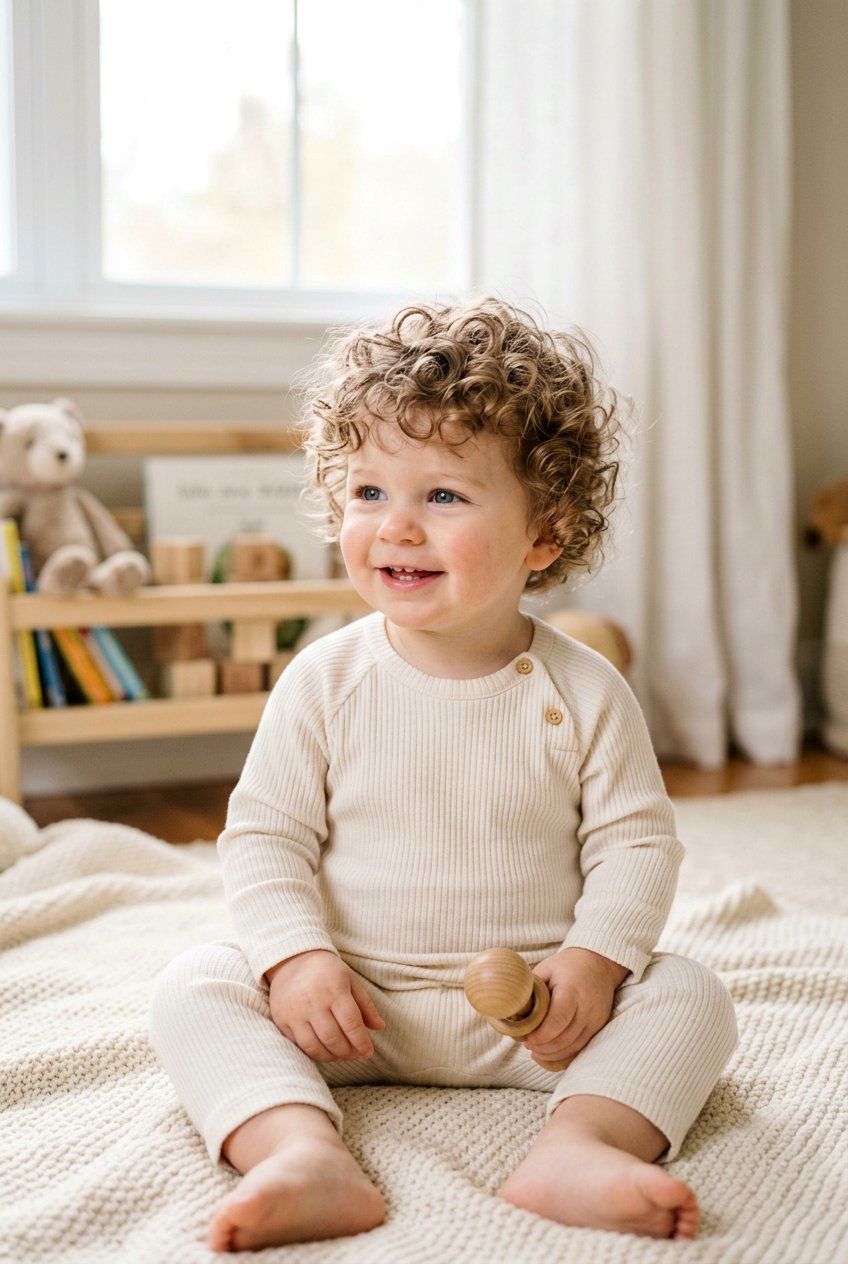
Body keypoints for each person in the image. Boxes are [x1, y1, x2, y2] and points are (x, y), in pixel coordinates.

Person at [148, 297, 737, 1252]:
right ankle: (300, 1151)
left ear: (543, 535)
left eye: (445, 497)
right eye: (369, 493)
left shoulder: (585, 689)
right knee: (194, 985)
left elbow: (636, 843)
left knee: (692, 997)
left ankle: (581, 1142)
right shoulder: (326, 679)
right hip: (352, 1010)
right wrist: (297, 963)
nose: (397, 529)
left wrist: (593, 965)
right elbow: (266, 837)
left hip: (538, 1020)